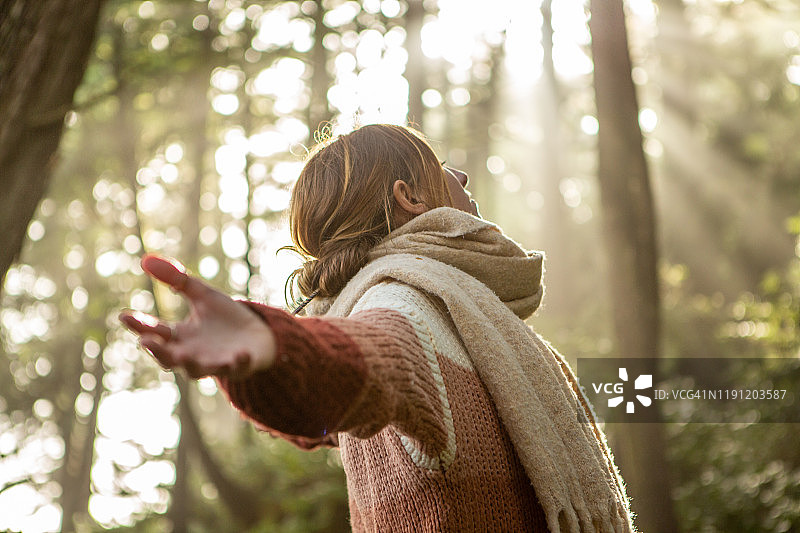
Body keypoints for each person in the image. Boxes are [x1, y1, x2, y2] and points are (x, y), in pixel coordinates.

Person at [120, 124, 634, 533]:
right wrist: (275, 346)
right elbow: (367, 359)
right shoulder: (403, 300)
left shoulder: (460, 308)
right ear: (409, 196)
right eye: (441, 166)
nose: (463, 176)